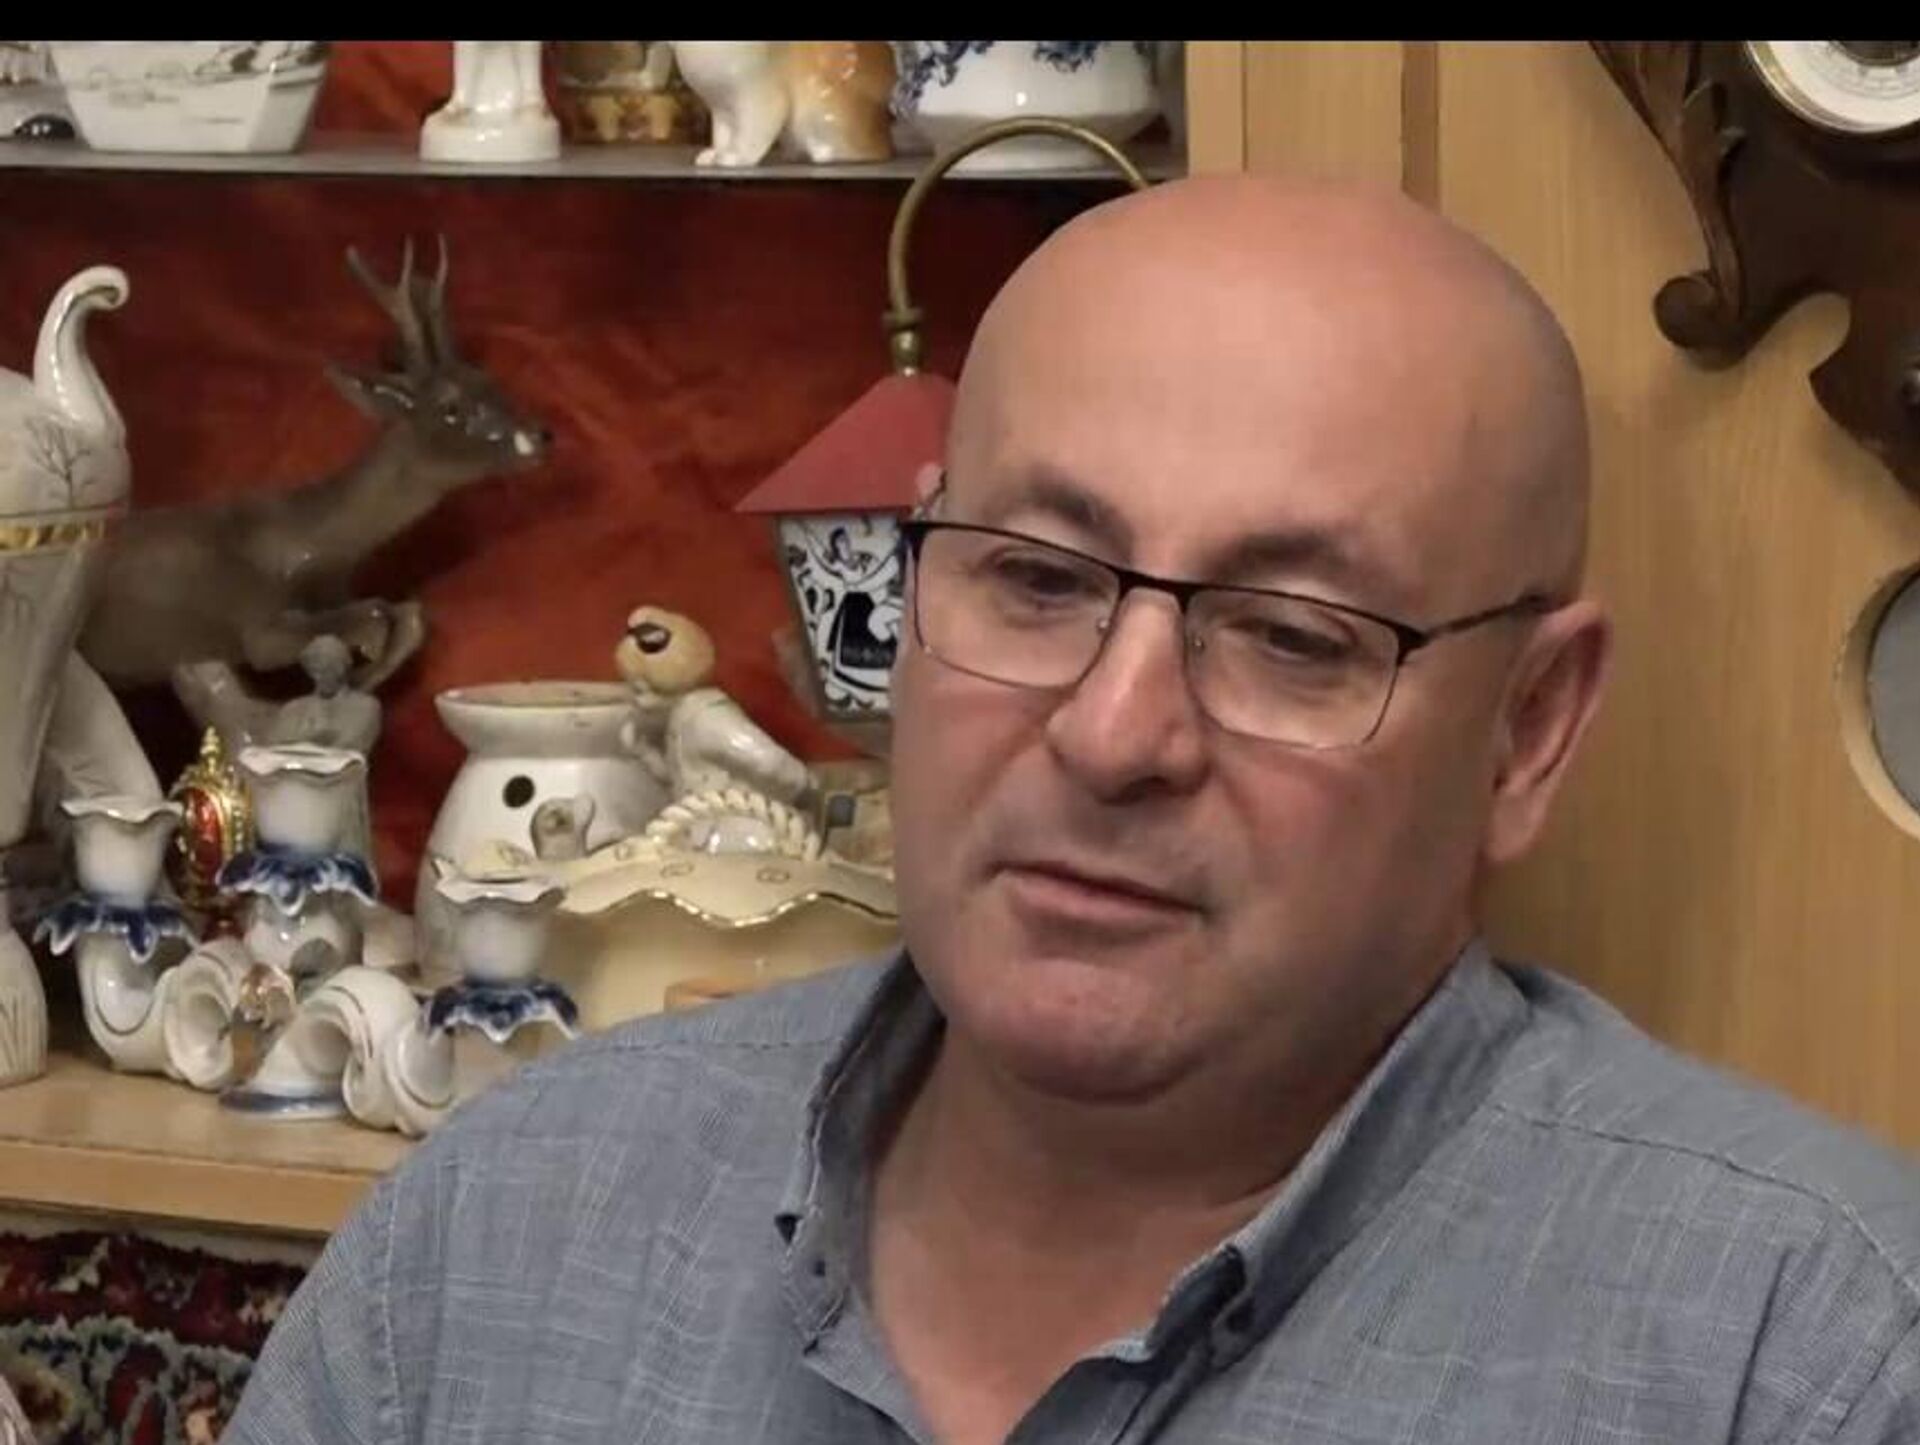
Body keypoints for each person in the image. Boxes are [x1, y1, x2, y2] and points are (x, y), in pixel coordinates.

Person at [224, 175, 1920, 1444]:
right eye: (1036, 580)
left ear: (1528, 732)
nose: (1116, 735)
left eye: (1294, 636)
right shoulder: (505, 1233)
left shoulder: (1807, 1360)